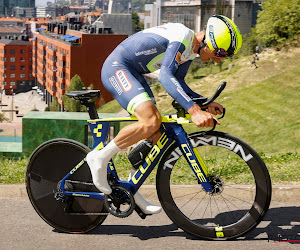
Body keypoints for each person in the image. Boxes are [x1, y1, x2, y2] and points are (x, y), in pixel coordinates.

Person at [87, 15, 242, 214]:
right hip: (117, 67)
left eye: (225, 57)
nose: (219, 59)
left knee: (156, 132)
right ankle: (100, 158)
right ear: (211, 39)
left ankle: (131, 188)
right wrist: (194, 111)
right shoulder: (183, 37)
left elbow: (179, 83)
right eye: (221, 53)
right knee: (151, 120)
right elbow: (166, 77)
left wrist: (204, 102)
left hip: (133, 72)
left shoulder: (189, 52)